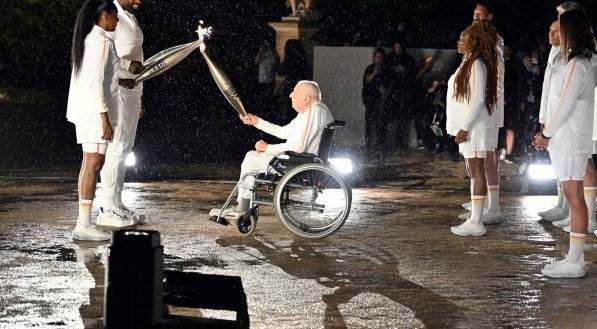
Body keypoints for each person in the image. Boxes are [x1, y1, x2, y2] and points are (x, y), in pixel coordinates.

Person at [209, 81, 334, 222]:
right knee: (252, 155)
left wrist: (269, 148)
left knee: (251, 160)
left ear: (306, 98)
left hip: (298, 163)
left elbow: (299, 146)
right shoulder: (312, 112)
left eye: (296, 92)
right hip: (299, 160)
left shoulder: (314, 111)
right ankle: (245, 206)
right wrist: (256, 122)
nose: (291, 94)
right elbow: (283, 132)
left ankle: (242, 209)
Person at [66, 0, 135, 240]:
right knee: (94, 165)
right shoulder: (101, 41)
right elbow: (95, 82)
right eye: (115, 17)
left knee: (89, 165)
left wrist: (123, 80)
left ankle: (83, 223)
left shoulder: (94, 40)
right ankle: (84, 225)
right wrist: (104, 117)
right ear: (105, 17)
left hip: (89, 112)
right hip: (94, 115)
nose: (117, 21)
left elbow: (107, 74)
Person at [535, 9, 595, 278]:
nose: (556, 32)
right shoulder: (575, 62)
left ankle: (575, 261)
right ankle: (574, 258)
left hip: (569, 140)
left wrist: (546, 135)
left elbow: (564, 106)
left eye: (560, 27)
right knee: (574, 197)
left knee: (574, 198)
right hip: (567, 138)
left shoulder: (577, 65)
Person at [447, 20, 499, 236]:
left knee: (477, 172)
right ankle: (475, 218)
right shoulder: (469, 61)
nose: (459, 41)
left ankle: (477, 222)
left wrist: (465, 127)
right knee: (473, 171)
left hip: (475, 128)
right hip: (470, 128)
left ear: (474, 40)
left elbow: (478, 100)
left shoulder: (477, 64)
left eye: (463, 37)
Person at [97, 0, 145, 227]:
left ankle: (117, 202)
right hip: (118, 92)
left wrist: (139, 97)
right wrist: (126, 67)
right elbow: (103, 56)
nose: (139, 1)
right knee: (116, 149)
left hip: (133, 91)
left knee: (125, 148)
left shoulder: (128, 16)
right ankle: (107, 207)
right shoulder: (110, 14)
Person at [459, 1, 504, 224]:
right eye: (474, 13)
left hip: (487, 111)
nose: (476, 17)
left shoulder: (493, 41)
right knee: (479, 162)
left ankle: (491, 207)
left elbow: (495, 81)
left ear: (490, 17)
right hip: (480, 111)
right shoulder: (474, 42)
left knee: (487, 160)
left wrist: (487, 109)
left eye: (481, 14)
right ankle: (483, 204)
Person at [537, 20, 568, 223]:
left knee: (568, 165)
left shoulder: (569, 56)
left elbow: (562, 95)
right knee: (558, 163)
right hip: (550, 116)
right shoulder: (553, 52)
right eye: (550, 30)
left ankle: (569, 208)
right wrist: (543, 117)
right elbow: (547, 91)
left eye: (556, 31)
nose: (551, 34)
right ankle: (561, 204)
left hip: (563, 119)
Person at [362, 48, 390, 153]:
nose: (379, 60)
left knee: (382, 122)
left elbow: (389, 84)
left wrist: (386, 93)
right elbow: (367, 81)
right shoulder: (370, 68)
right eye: (377, 57)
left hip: (381, 100)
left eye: (381, 57)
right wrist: (374, 73)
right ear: (374, 58)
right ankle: (368, 143)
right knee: (369, 122)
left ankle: (380, 143)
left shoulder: (386, 70)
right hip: (370, 99)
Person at [500, 45, 522, 164]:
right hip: (500, 100)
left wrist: (519, 100)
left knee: (510, 127)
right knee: (501, 127)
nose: (506, 52)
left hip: (511, 101)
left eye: (508, 49)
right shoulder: (498, 64)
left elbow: (518, 84)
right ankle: (502, 150)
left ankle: (508, 153)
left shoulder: (515, 65)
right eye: (505, 49)